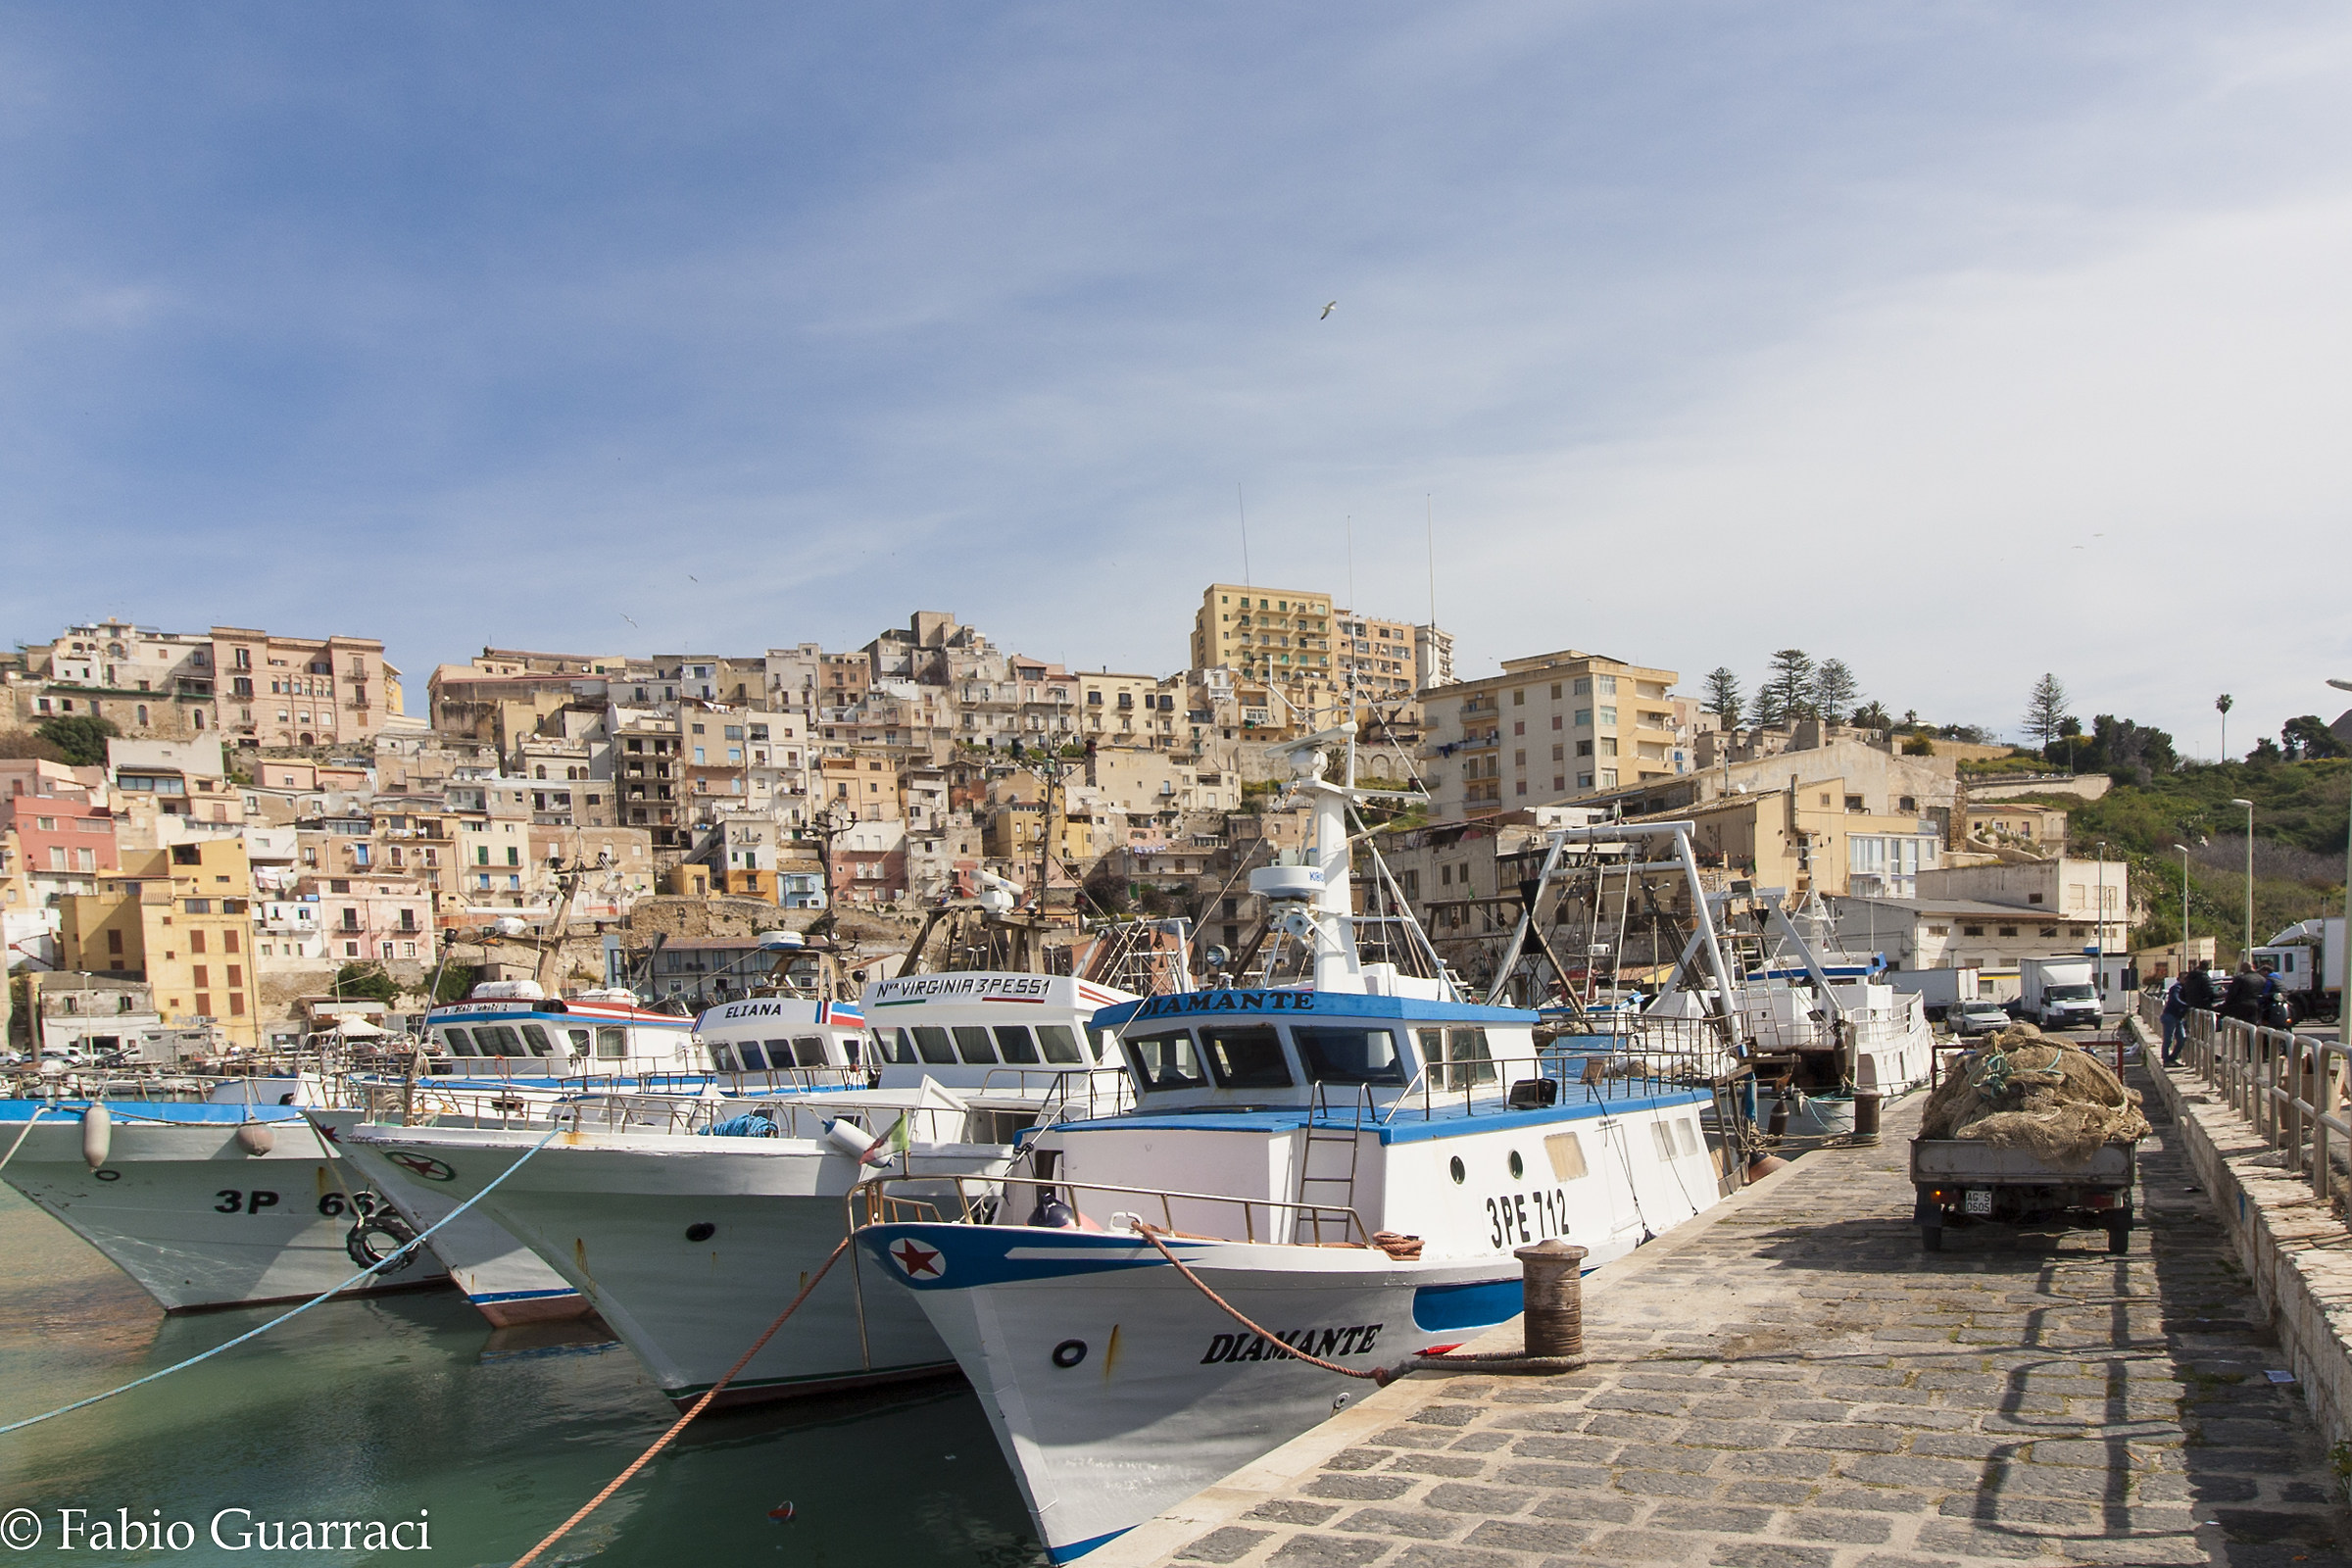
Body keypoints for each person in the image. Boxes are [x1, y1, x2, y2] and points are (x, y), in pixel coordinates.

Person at [2159, 976, 2189, 1066]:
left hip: (2178, 1017)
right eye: (2184, 978)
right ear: (2179, 979)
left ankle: (2172, 1058)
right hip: (2170, 1016)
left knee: (2182, 1038)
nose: (2186, 980)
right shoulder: (2176, 988)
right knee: (2168, 1039)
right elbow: (2176, 1000)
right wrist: (2186, 1006)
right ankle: (2166, 1060)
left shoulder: (2185, 989)